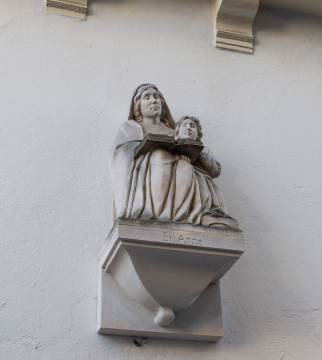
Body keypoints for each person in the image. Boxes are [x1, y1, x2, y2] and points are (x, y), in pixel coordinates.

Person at [109, 84, 234, 227]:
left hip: (182, 175)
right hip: (146, 176)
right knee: (160, 156)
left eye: (156, 97)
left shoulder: (175, 131)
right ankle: (154, 214)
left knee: (185, 166)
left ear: (162, 103)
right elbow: (119, 157)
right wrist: (145, 149)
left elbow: (212, 168)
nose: (153, 101)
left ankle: (185, 215)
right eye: (147, 97)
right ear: (137, 106)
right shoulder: (129, 128)